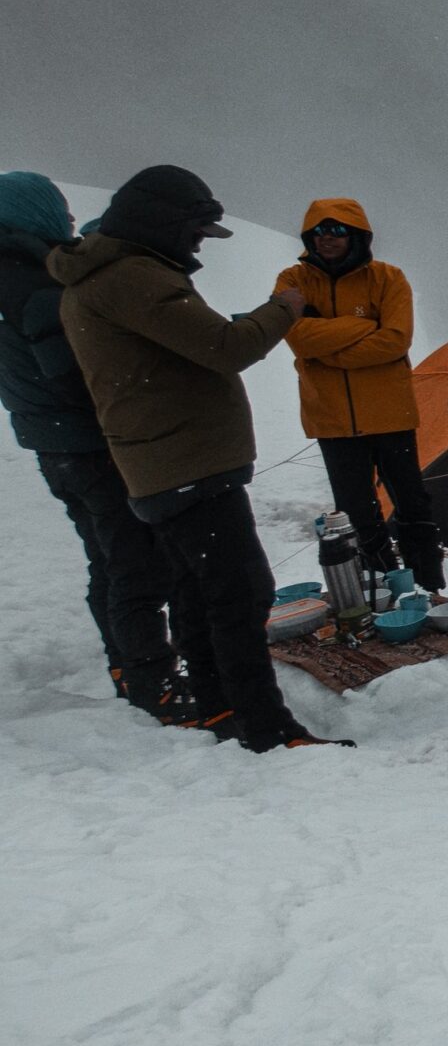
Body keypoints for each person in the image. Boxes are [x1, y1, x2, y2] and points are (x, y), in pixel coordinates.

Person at [49, 164, 343, 752]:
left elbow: (175, 348)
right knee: (242, 594)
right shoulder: (132, 277)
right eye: (196, 232)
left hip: (165, 464)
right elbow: (225, 348)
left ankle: (216, 706)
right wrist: (283, 306)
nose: (198, 245)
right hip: (186, 466)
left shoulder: (106, 277)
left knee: (195, 590)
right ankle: (267, 727)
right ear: (164, 222)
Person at [0, 171, 190, 722]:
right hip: (86, 443)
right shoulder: (28, 281)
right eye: (60, 210)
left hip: (52, 445)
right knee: (135, 560)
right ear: (36, 213)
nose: (69, 222)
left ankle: (126, 664)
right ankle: (150, 678)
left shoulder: (14, 274)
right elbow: (73, 375)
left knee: (108, 555)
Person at [274, 199, 442, 589]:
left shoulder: (388, 278)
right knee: (355, 511)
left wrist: (326, 347)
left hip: (390, 413)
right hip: (331, 417)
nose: (327, 238)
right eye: (319, 231)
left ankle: (428, 584)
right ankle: (382, 584)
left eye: (337, 230)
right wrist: (360, 325)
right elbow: (295, 336)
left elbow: (396, 340)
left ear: (356, 234)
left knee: (412, 503)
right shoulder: (293, 280)